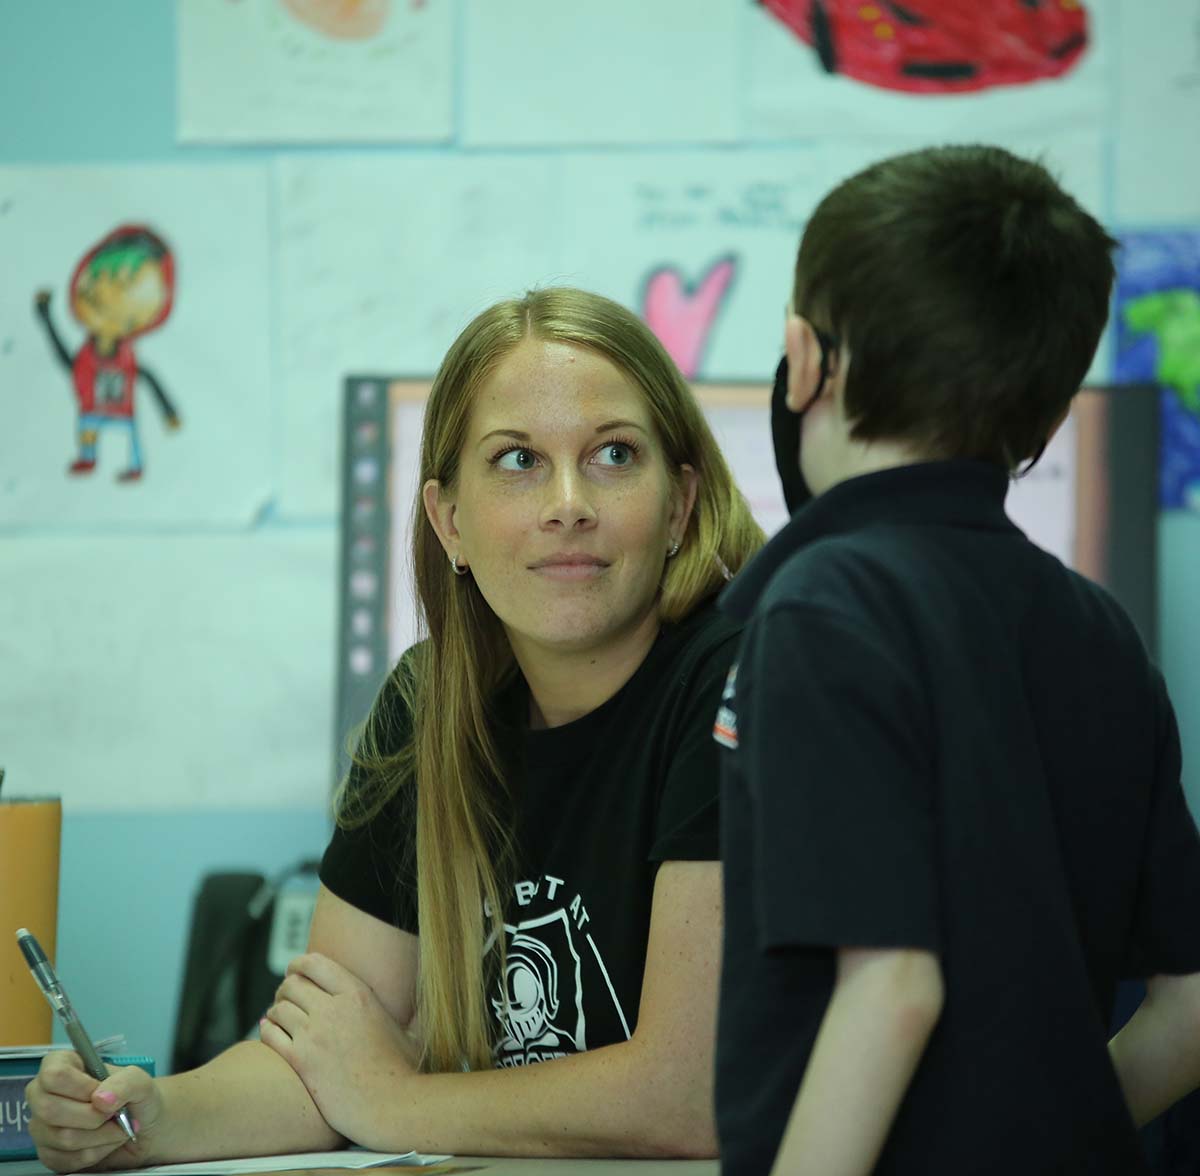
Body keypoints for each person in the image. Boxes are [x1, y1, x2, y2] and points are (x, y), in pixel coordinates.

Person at [27, 287, 764, 1170]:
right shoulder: (427, 705)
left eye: (613, 453)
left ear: (681, 505)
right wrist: (143, 1115)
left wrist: (398, 1102)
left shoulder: (742, 679)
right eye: (518, 460)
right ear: (449, 520)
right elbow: (321, 1065)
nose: (568, 503)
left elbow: (686, 1097)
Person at [714, 145, 1200, 1176]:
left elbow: (892, 986)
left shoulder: (821, 605)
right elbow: (1193, 1008)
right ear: (1049, 410)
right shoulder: (1103, 631)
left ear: (806, 361)